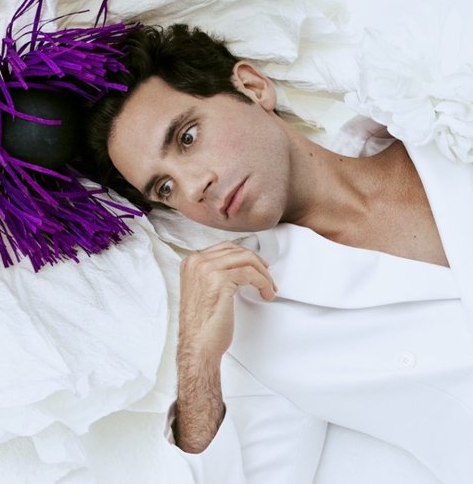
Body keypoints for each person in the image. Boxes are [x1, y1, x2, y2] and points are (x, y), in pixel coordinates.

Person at [85, 24, 473, 484]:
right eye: (165, 188)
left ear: (253, 87)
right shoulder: (260, 324)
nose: (193, 187)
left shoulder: (445, 119)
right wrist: (196, 359)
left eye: (187, 137)